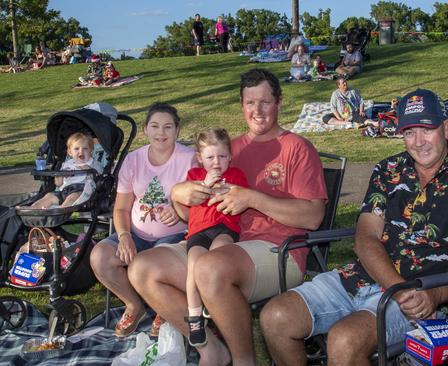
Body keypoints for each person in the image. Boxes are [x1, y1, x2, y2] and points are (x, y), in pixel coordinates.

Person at [260, 88, 448, 365]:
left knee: (345, 340)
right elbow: (365, 237)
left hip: (425, 296)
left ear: (446, 127)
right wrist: (398, 288)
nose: (418, 142)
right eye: (409, 132)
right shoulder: (388, 170)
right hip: (362, 278)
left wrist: (433, 295)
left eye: (426, 130)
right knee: (275, 317)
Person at [127, 68, 327, 366]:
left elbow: (313, 216)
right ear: (241, 105)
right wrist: (180, 193)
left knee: (210, 267)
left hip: (279, 250)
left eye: (265, 102)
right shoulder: (228, 149)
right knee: (142, 269)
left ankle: (243, 360)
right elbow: (191, 204)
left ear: (279, 103)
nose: (257, 111)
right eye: (250, 103)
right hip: (217, 240)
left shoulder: (297, 148)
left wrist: (252, 198)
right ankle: (211, 350)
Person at [90, 103, 196, 338]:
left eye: (168, 127)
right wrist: (125, 236)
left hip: (175, 237)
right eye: (155, 126)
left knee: (151, 264)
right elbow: (121, 208)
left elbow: (203, 206)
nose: (161, 133)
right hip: (136, 234)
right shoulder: (133, 160)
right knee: (100, 257)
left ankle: (164, 307)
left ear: (177, 131)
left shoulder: (190, 160)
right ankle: (134, 305)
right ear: (146, 130)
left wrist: (180, 212)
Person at [183, 128, 248, 347]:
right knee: (194, 263)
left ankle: (213, 301)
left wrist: (225, 188)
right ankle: (194, 316)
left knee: (218, 256)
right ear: (200, 159)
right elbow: (189, 198)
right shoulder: (194, 176)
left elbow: (240, 196)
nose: (217, 162)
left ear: (230, 155)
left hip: (225, 228)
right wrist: (206, 185)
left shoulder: (237, 175)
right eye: (210, 157)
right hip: (198, 231)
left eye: (222, 156)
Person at [28, 132, 99, 209]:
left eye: (85, 148)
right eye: (76, 149)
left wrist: (88, 170)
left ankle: (61, 209)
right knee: (49, 196)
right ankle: (33, 208)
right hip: (65, 191)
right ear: (70, 152)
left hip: (82, 192)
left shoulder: (93, 163)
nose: (81, 151)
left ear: (91, 151)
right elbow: (59, 184)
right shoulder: (66, 164)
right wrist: (59, 176)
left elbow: (99, 177)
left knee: (73, 196)